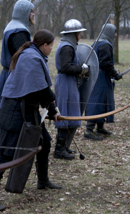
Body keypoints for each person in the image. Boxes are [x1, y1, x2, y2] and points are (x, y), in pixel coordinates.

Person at [0, 30, 61, 211]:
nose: (51, 48)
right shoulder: (31, 58)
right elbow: (42, 90)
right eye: (51, 45)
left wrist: (51, 109)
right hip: (14, 112)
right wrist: (52, 102)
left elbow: (35, 89)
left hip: (28, 110)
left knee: (44, 142)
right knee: (5, 154)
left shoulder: (34, 54)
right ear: (44, 45)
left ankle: (42, 180)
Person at [0, 0, 35, 161]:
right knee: (9, 114)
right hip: (13, 77)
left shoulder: (13, 26)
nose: (33, 14)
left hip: (10, 75)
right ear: (24, 12)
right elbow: (24, 59)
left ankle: (4, 148)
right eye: (31, 11)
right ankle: (2, 150)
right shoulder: (18, 31)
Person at [53, 19, 87, 159]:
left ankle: (65, 146)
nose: (80, 35)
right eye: (79, 33)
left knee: (71, 113)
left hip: (68, 82)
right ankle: (59, 150)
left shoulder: (68, 45)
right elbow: (66, 67)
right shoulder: (67, 47)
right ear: (73, 34)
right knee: (65, 114)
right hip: (65, 82)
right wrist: (82, 69)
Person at [85, 23, 122, 139]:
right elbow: (105, 63)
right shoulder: (105, 45)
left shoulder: (97, 42)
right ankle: (89, 131)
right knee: (97, 102)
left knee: (103, 102)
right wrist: (115, 74)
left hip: (98, 76)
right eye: (114, 32)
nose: (115, 35)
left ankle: (100, 128)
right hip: (100, 77)